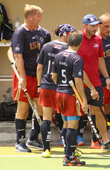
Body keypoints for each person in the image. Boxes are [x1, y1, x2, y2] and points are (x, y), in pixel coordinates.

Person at [10, 4, 51, 152]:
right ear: (30, 17)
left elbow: (46, 57)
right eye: (38, 16)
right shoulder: (20, 33)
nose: (40, 18)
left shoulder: (44, 34)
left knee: (41, 108)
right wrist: (22, 78)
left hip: (39, 76)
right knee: (23, 108)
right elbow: (17, 56)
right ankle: (19, 142)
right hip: (24, 75)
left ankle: (33, 138)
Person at [78, 14, 110, 151]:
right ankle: (72, 141)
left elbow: (101, 60)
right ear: (85, 26)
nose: (95, 28)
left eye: (96, 25)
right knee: (77, 112)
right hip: (79, 83)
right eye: (92, 26)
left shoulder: (98, 40)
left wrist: (107, 77)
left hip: (96, 83)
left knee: (99, 112)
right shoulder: (77, 39)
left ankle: (105, 141)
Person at [37, 24, 75, 157]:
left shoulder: (46, 46)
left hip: (46, 86)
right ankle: (68, 148)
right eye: (71, 33)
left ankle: (46, 149)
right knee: (65, 119)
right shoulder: (68, 49)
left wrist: (39, 85)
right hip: (61, 88)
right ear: (65, 34)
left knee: (46, 118)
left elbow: (39, 68)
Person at [52, 30, 87, 166]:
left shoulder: (59, 55)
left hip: (59, 93)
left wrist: (60, 86)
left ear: (68, 41)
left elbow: (54, 76)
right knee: (73, 126)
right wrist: (83, 100)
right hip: (70, 95)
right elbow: (78, 81)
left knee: (66, 124)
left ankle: (67, 154)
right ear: (80, 43)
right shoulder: (77, 58)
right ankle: (70, 157)